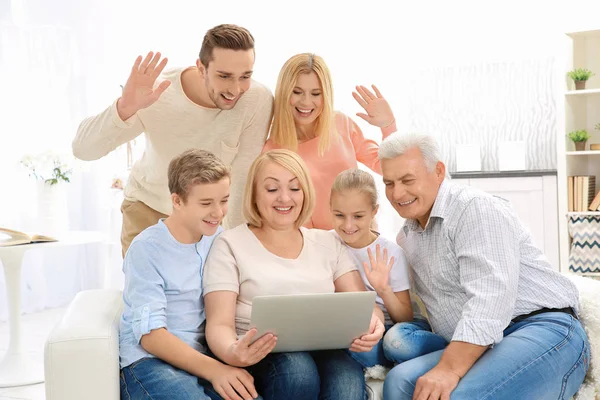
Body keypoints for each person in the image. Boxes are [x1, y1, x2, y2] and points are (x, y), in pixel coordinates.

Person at [379, 132, 590, 400]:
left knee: (458, 396)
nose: (397, 193)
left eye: (408, 180)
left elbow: (490, 301)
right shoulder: (406, 237)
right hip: (483, 345)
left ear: (438, 172)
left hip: (541, 329)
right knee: (398, 382)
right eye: (389, 183)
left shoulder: (474, 209)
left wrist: (449, 369)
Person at [73, 24, 274, 256]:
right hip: (150, 210)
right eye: (224, 76)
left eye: (245, 76)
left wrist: (238, 250)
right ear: (201, 68)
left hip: (210, 221)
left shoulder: (256, 100)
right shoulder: (158, 92)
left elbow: (241, 180)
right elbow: (83, 149)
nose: (235, 89)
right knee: (147, 291)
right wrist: (125, 107)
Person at [202, 149, 385, 400]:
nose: (284, 198)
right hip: (257, 352)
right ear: (254, 194)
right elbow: (218, 324)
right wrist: (233, 353)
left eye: (295, 188)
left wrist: (375, 323)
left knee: (347, 384)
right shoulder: (230, 243)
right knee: (298, 372)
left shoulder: (328, 242)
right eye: (272, 189)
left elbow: (362, 305)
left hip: (325, 348)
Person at [119, 149, 261, 400]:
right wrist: (216, 371)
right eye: (206, 203)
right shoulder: (146, 249)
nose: (218, 213)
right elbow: (151, 337)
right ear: (177, 201)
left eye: (224, 200)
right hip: (151, 362)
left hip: (203, 358)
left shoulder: (218, 239)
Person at [262, 52, 397, 230]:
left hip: (361, 236)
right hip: (316, 247)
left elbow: (388, 168)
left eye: (316, 93)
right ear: (284, 92)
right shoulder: (272, 149)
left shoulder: (341, 123)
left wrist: (388, 126)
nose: (306, 102)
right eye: (297, 92)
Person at [329, 168, 447, 369]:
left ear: (374, 211)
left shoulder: (390, 252)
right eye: (339, 215)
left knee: (396, 343)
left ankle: (446, 351)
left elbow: (404, 317)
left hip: (398, 328)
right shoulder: (328, 244)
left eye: (358, 216)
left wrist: (383, 289)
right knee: (354, 346)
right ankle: (391, 359)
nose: (348, 225)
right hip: (360, 329)